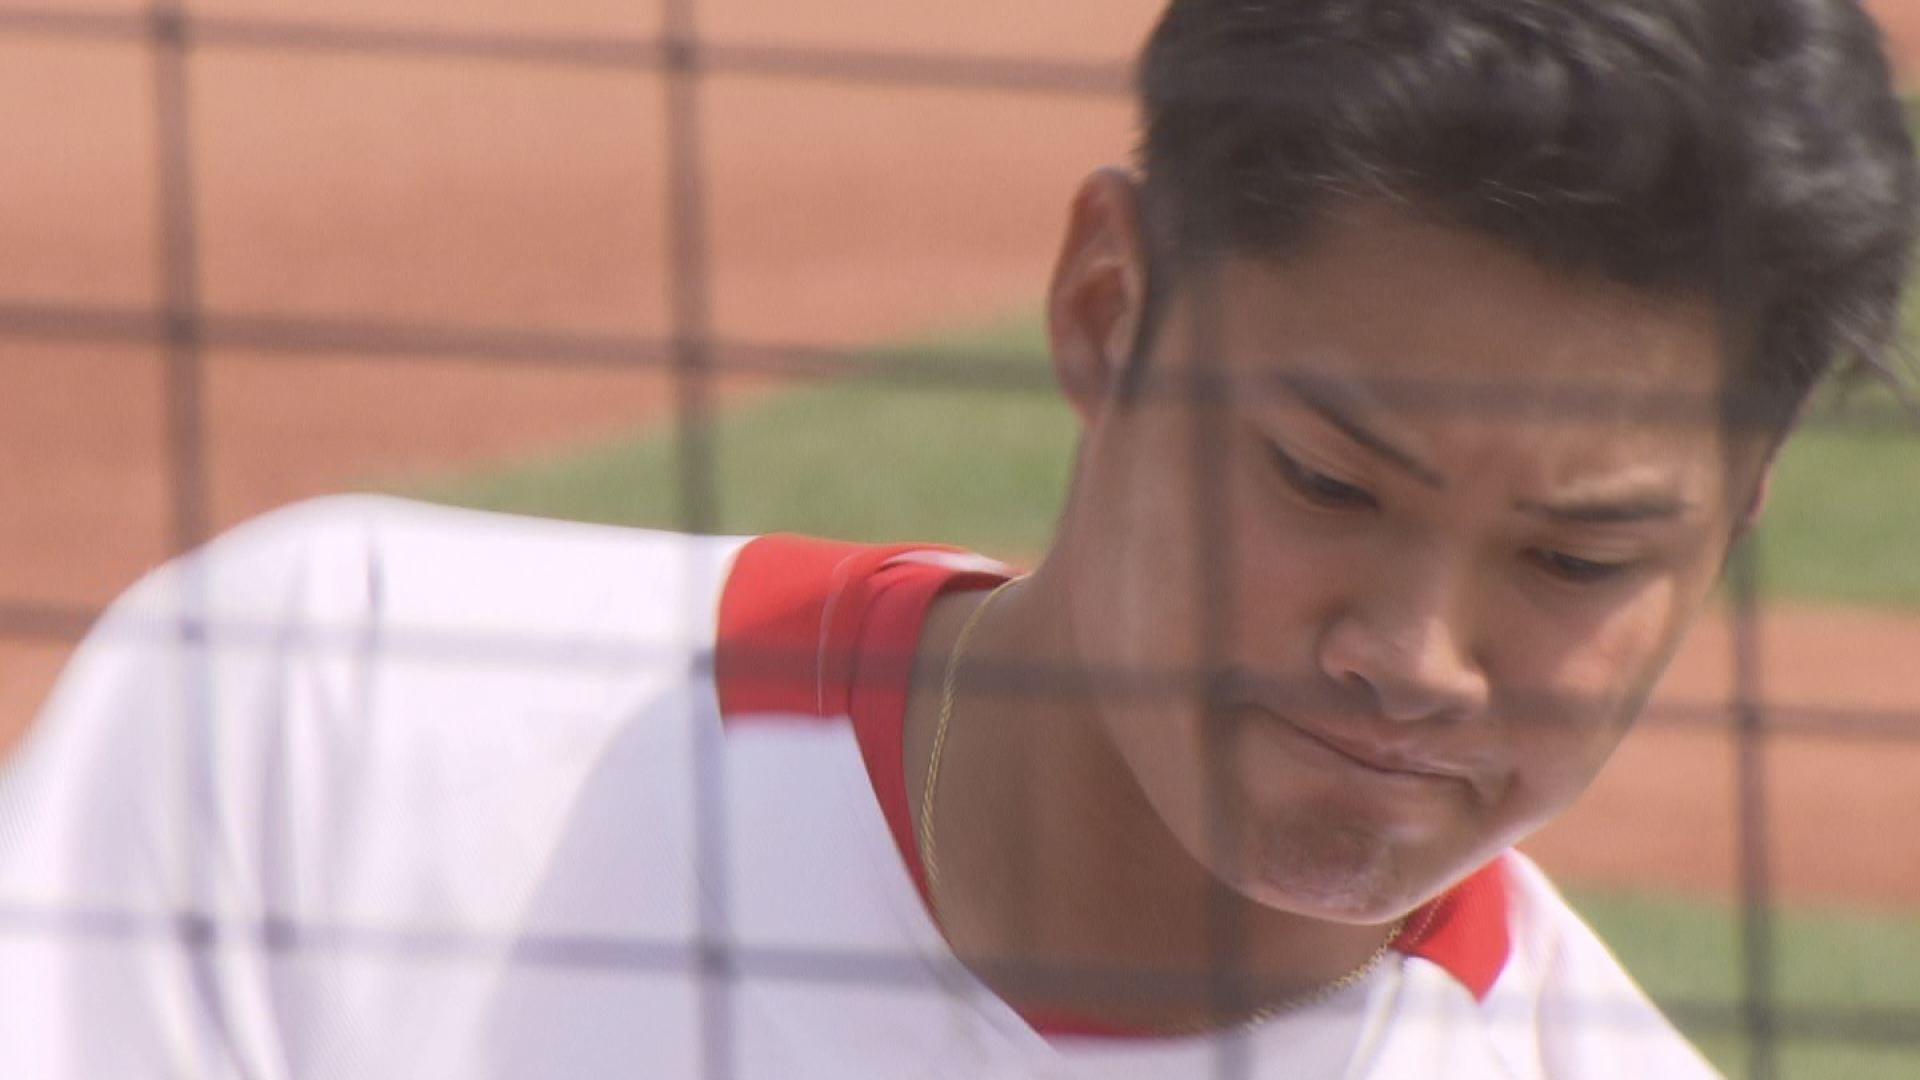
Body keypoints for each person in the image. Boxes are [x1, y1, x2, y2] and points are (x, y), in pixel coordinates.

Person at [3, 0, 1915, 1076]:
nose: (1413, 656)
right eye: (1326, 483)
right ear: (1104, 310)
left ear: (1732, 525)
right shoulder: (335, 713)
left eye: (1578, 564)